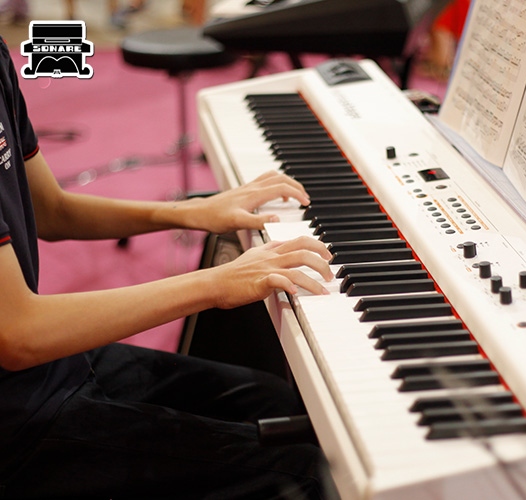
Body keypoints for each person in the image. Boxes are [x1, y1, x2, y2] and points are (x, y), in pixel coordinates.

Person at [0, 35, 338, 499]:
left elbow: (52, 211)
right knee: (303, 474)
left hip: (42, 373)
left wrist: (187, 212)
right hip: (14, 419)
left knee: (273, 402)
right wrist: (217, 284)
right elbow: (18, 334)